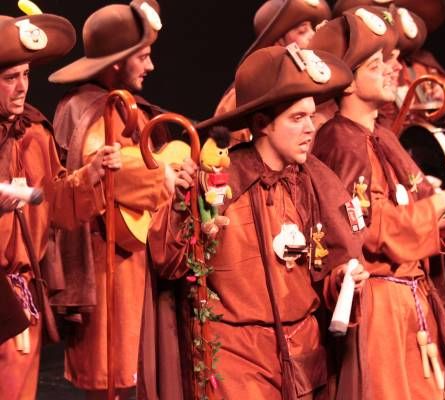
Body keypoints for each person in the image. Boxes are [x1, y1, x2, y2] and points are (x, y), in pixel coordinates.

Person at [138, 45, 369, 399]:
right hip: (237, 358)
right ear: (262, 124)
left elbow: (328, 266)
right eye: (297, 118)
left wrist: (342, 281)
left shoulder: (315, 181)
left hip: (303, 355)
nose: (310, 128)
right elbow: (168, 261)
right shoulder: (220, 183)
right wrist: (185, 206)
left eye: (312, 116)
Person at [310, 10, 445, 399]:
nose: (394, 69)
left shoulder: (383, 137)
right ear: (348, 83)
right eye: (378, 64)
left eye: (392, 60)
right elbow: (370, 229)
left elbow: (414, 214)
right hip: (380, 308)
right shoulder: (339, 142)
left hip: (412, 302)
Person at [48, 1, 172, 398]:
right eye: (144, 56)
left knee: (134, 373)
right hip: (105, 266)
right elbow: (104, 171)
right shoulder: (84, 108)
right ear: (118, 63)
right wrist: (167, 173)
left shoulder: (120, 106)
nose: (151, 67)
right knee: (109, 377)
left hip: (134, 260)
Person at [0, 8, 120, 400]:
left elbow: (56, 205)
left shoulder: (34, 133)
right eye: (9, 78)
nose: (21, 88)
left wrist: (92, 175)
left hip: (18, 299)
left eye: (25, 76)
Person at [215, 0, 332, 144]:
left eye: (311, 28)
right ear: (278, 42)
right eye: (302, 31)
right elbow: (223, 152)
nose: (313, 35)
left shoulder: (315, 86)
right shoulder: (244, 94)